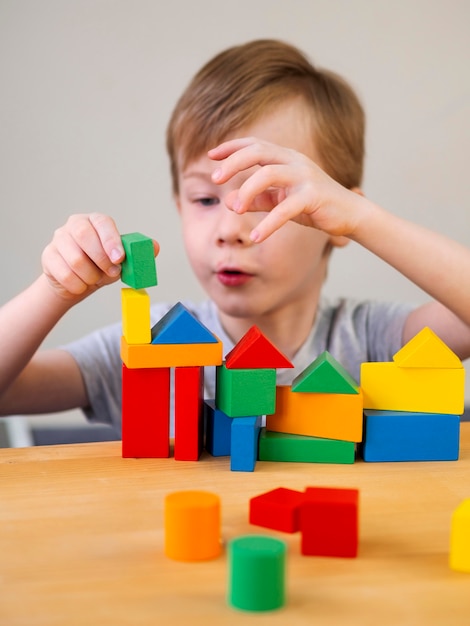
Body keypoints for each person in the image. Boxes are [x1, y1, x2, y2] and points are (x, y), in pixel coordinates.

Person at [0, 39, 469, 434]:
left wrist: (367, 221)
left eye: (268, 196)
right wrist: (54, 289)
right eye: (205, 200)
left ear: (335, 218)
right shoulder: (149, 347)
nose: (229, 229)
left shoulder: (372, 340)